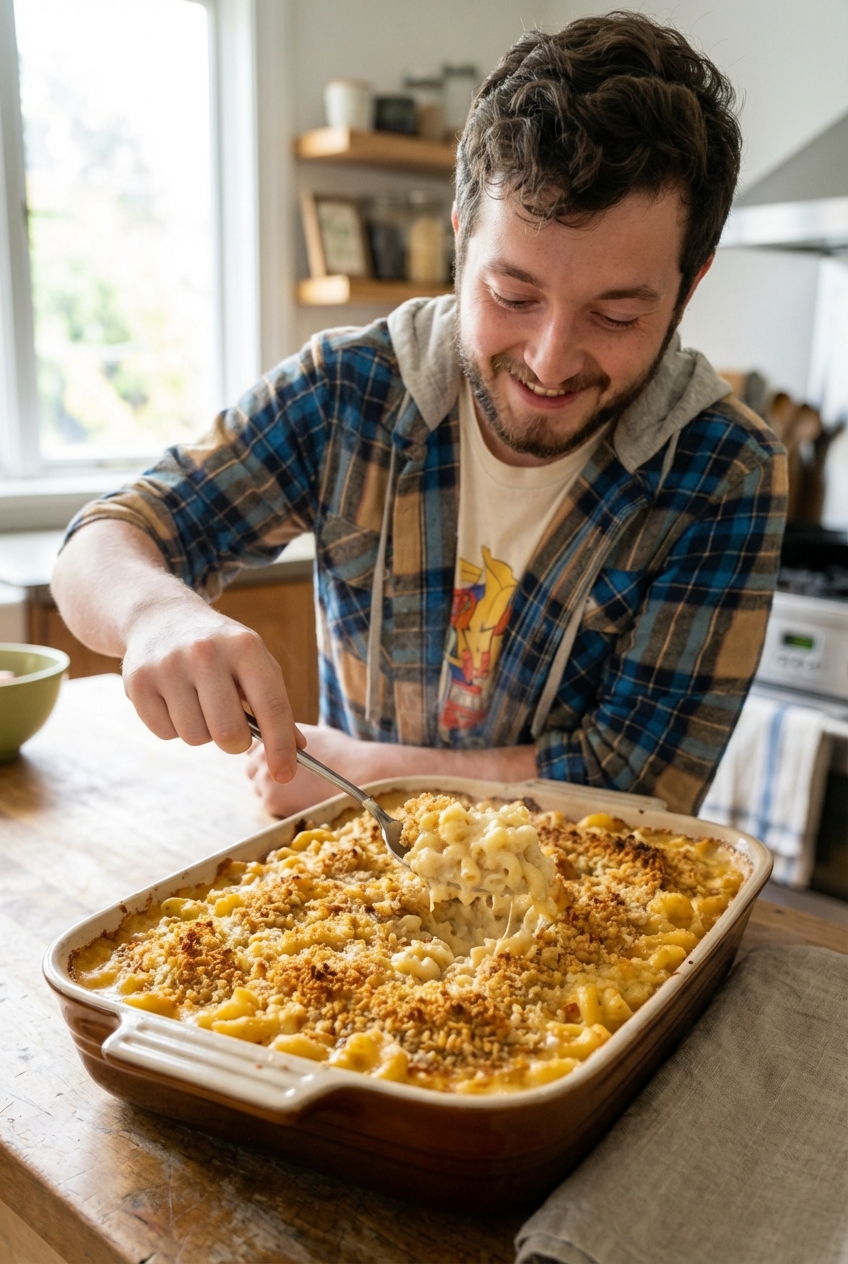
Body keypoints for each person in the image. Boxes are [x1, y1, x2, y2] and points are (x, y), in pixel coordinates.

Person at [52, 12, 787, 820]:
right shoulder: (349, 390)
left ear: (691, 283)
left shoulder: (727, 468)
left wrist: (368, 771)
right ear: (461, 234)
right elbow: (105, 541)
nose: (549, 359)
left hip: (586, 920)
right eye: (513, 295)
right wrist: (156, 611)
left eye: (616, 315)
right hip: (355, 910)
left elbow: (643, 785)